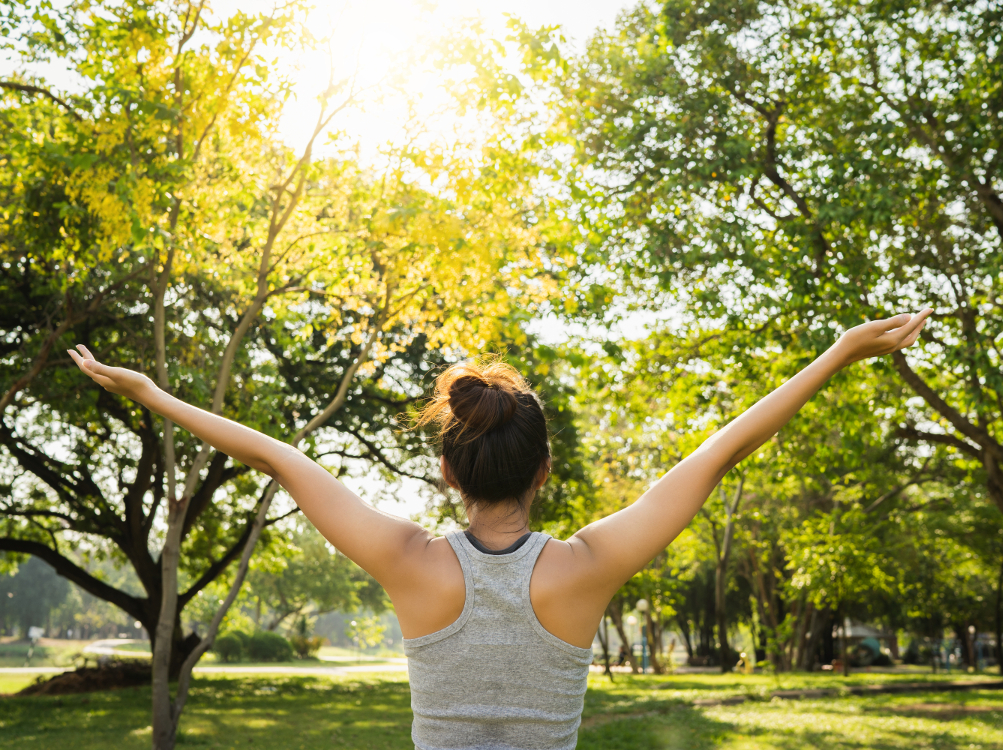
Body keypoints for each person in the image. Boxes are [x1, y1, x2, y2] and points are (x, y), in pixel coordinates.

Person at [68, 309, 930, 749]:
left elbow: (282, 460)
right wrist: (837, 353)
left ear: (447, 472)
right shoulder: (587, 567)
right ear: (544, 473)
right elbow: (720, 452)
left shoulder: (408, 563)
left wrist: (153, 395)